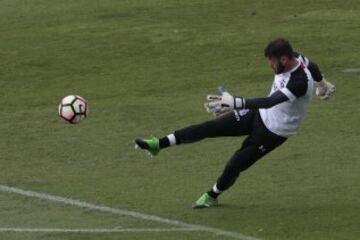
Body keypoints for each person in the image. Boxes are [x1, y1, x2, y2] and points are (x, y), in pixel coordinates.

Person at [134, 38, 336, 209]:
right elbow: (314, 66)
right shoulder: (297, 57)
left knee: (236, 163)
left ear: (284, 59)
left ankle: (212, 196)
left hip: (273, 132)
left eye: (272, 62)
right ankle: (157, 144)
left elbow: (271, 100)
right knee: (209, 127)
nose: (270, 66)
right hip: (259, 114)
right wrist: (323, 84)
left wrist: (236, 103)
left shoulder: (299, 82)